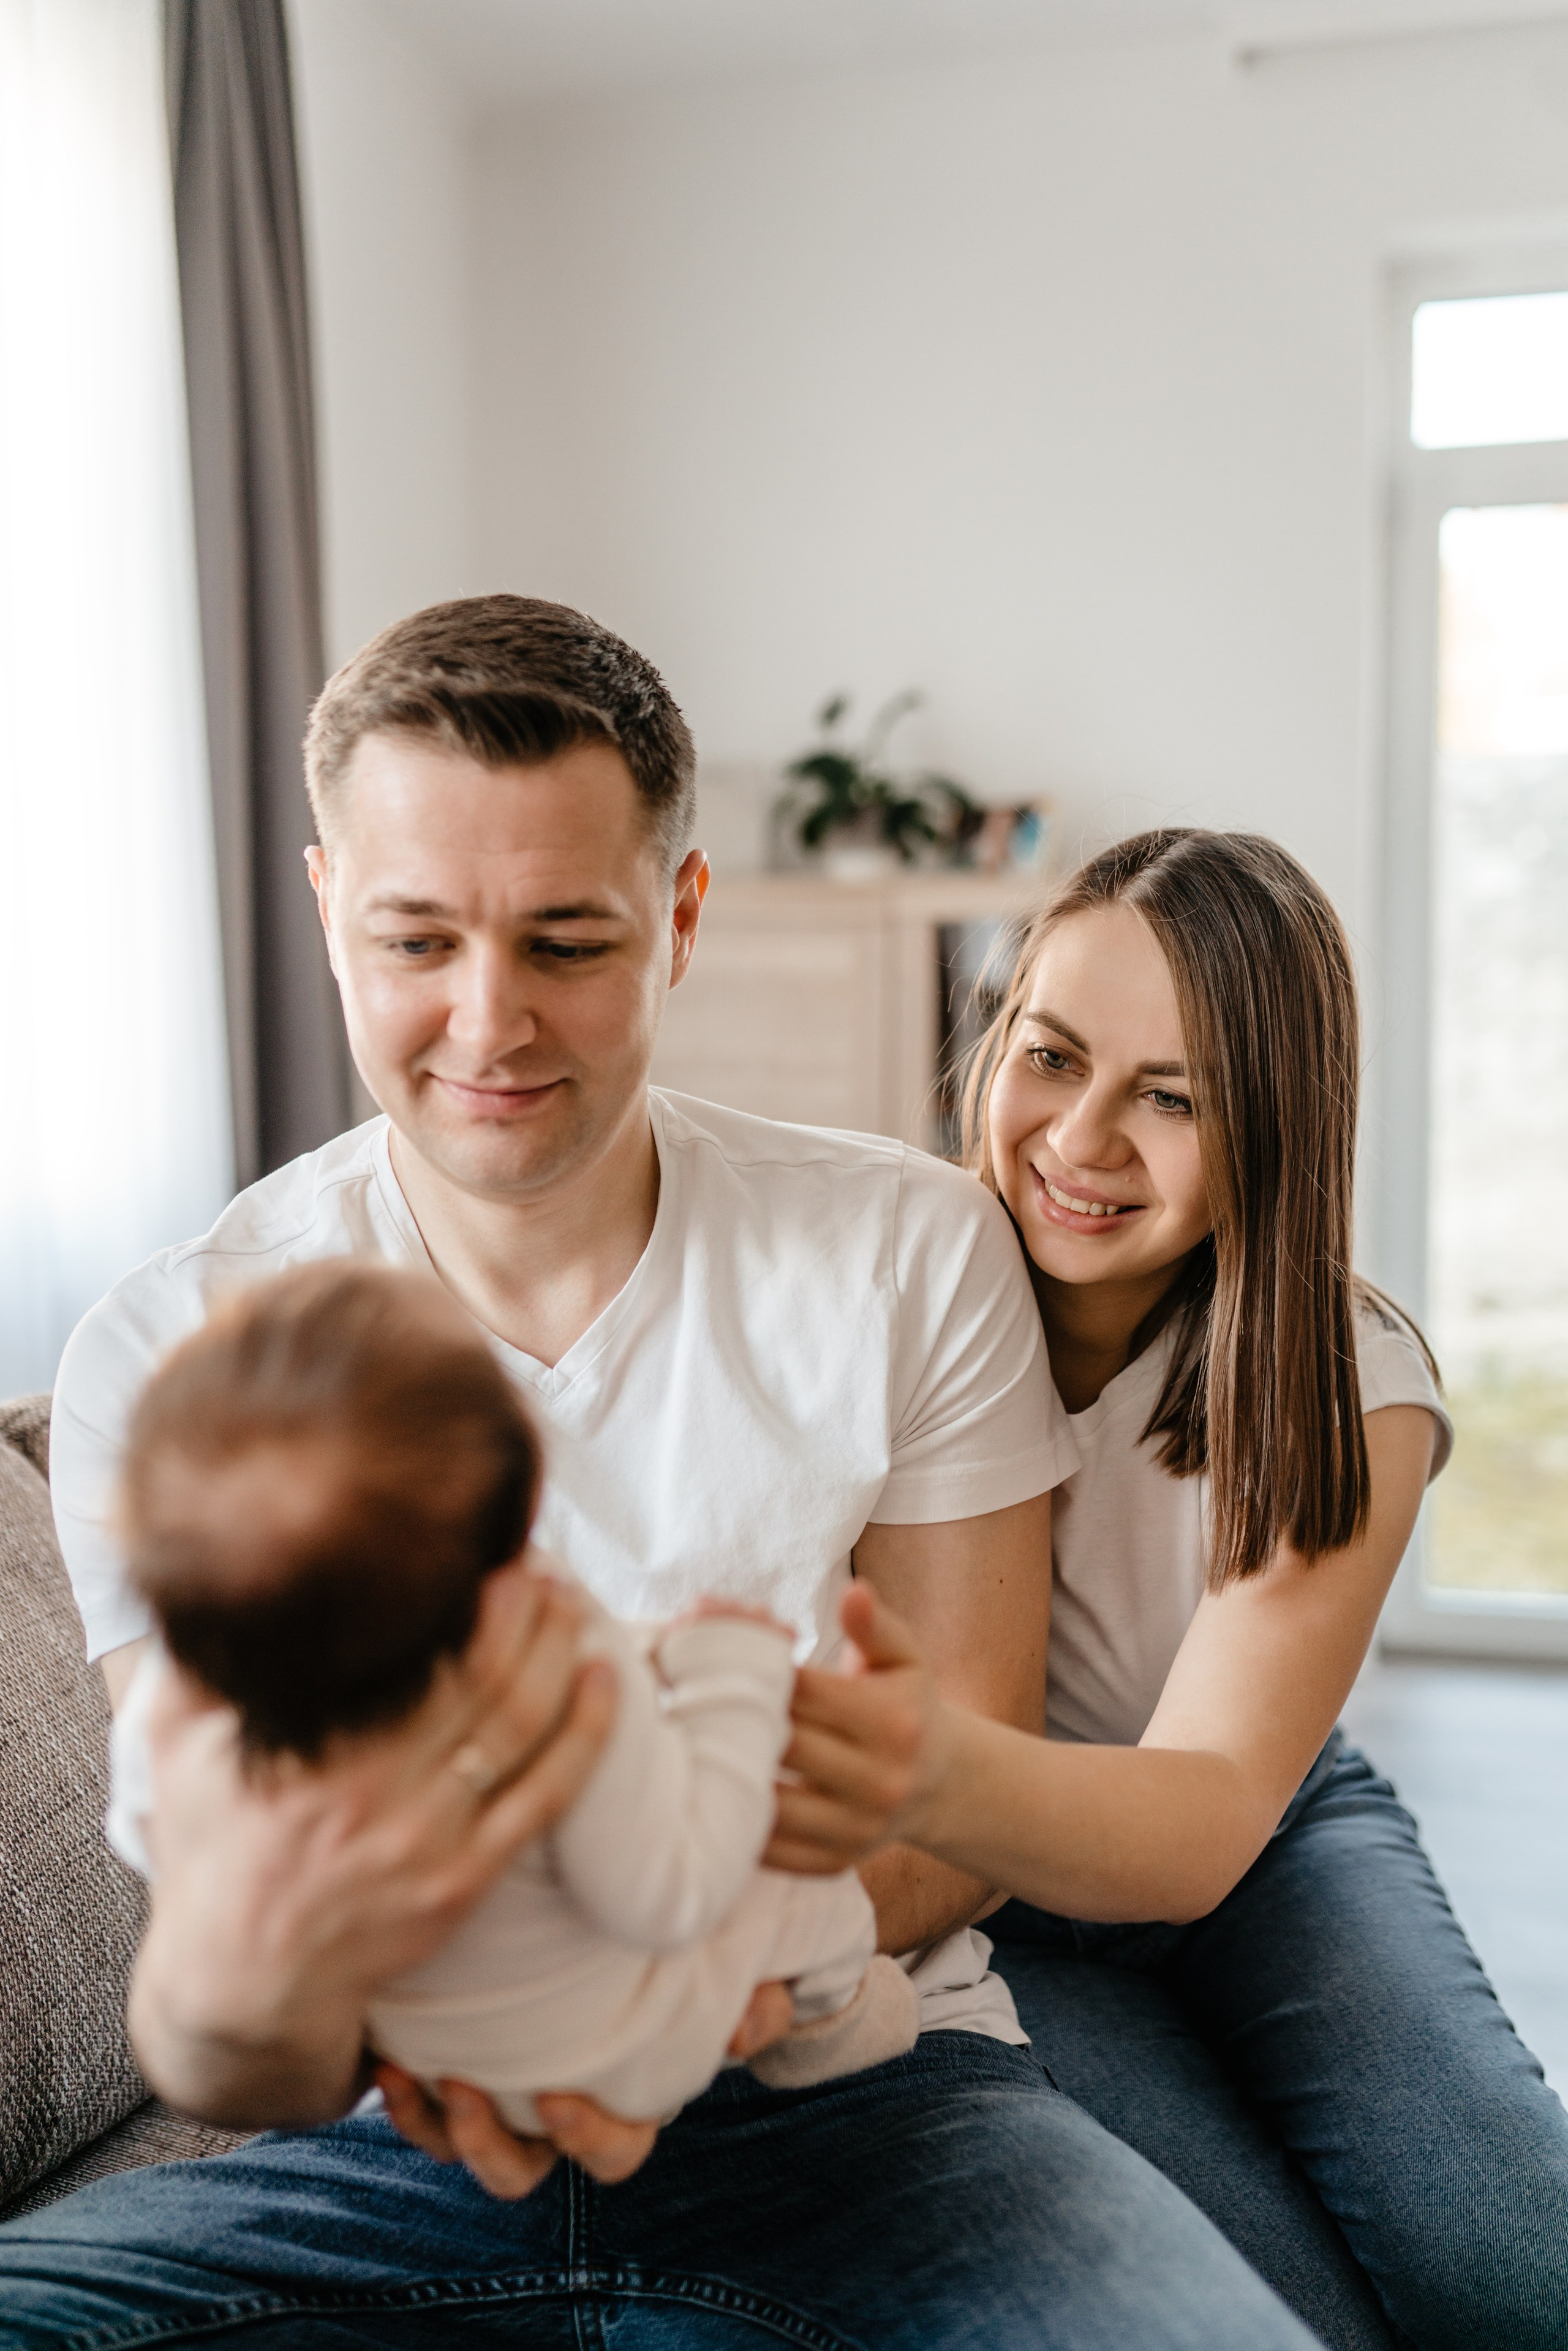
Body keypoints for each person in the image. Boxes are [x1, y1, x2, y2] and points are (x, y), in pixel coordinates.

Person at [0, 600, 1318, 2350]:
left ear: (682, 915)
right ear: (324, 905)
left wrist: (672, 1993)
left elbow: (952, 1806)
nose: (491, 1022)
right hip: (381, 2143)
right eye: (415, 938)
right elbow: (230, 1965)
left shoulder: (908, 1247)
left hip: (865, 2096)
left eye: (566, 938)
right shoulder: (170, 1361)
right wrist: (334, 1987)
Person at [784, 829, 1568, 2351]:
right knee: (1269, 2298)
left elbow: (1204, 1818)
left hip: (1253, 1835)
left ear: (1272, 1123)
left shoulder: (1346, 1377)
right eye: (1051, 1056)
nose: (1080, 1138)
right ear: (991, 1041)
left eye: (1171, 1095)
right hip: (986, 1892)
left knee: (1506, 2256)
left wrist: (914, 1766)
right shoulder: (880, 1286)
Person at [110, 1259, 918, 2125]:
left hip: (433, 2073)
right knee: (786, 1871)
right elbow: (673, 1888)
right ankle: (838, 2016)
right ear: (533, 1497)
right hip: (620, 2055)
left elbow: (151, 1839)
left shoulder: (173, 1720)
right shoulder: (559, 1673)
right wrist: (735, 1672)